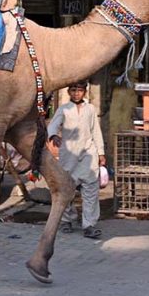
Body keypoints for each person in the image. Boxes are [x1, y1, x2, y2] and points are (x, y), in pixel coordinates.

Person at [47, 80, 106, 239]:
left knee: (91, 190)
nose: (76, 93)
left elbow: (96, 132)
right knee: (67, 188)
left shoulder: (90, 109)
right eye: (73, 90)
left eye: (79, 90)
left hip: (88, 154)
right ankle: (66, 220)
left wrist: (100, 153)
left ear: (85, 92)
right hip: (69, 155)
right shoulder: (64, 109)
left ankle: (89, 225)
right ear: (69, 92)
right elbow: (52, 125)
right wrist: (53, 135)